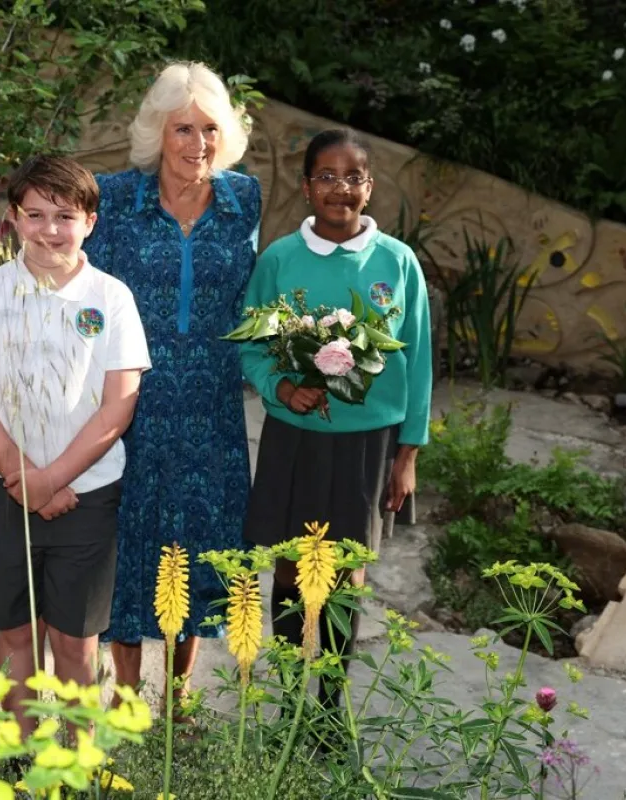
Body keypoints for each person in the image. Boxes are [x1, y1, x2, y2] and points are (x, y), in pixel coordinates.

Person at [0, 155, 150, 737]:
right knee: (16, 633)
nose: (50, 230)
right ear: (13, 218)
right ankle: (18, 756)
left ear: (91, 220)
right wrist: (24, 478)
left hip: (86, 496)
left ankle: (75, 763)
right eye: (35, 215)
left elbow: (119, 405)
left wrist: (55, 478)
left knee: (75, 640)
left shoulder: (111, 299)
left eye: (65, 216)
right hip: (2, 493)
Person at [82, 62, 261, 712]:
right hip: (131, 406)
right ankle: (127, 697)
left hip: (213, 409)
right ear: (158, 131)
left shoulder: (246, 201)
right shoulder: (114, 199)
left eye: (210, 127)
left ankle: (179, 692)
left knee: (201, 544)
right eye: (183, 127)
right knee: (131, 543)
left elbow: (260, 301)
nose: (197, 143)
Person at [240, 128, 431, 707]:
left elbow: (418, 359)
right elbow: (252, 343)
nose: (339, 188)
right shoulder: (280, 259)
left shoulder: (397, 263)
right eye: (326, 176)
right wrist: (282, 386)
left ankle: (329, 704)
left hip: (368, 444)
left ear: (369, 188)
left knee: (346, 570)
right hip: (294, 439)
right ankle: (290, 699)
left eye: (353, 177)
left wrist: (408, 455)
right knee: (291, 570)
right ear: (305, 187)